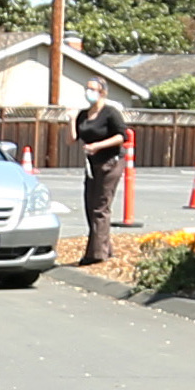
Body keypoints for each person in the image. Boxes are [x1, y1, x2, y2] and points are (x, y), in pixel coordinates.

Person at [69, 80, 131, 264]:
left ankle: (96, 255)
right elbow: (71, 140)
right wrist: (71, 119)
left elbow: (123, 136)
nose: (89, 92)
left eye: (93, 89)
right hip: (92, 164)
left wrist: (98, 145)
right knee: (90, 205)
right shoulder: (83, 115)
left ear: (102, 92)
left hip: (111, 161)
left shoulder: (110, 113)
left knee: (100, 207)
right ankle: (105, 247)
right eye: (87, 88)